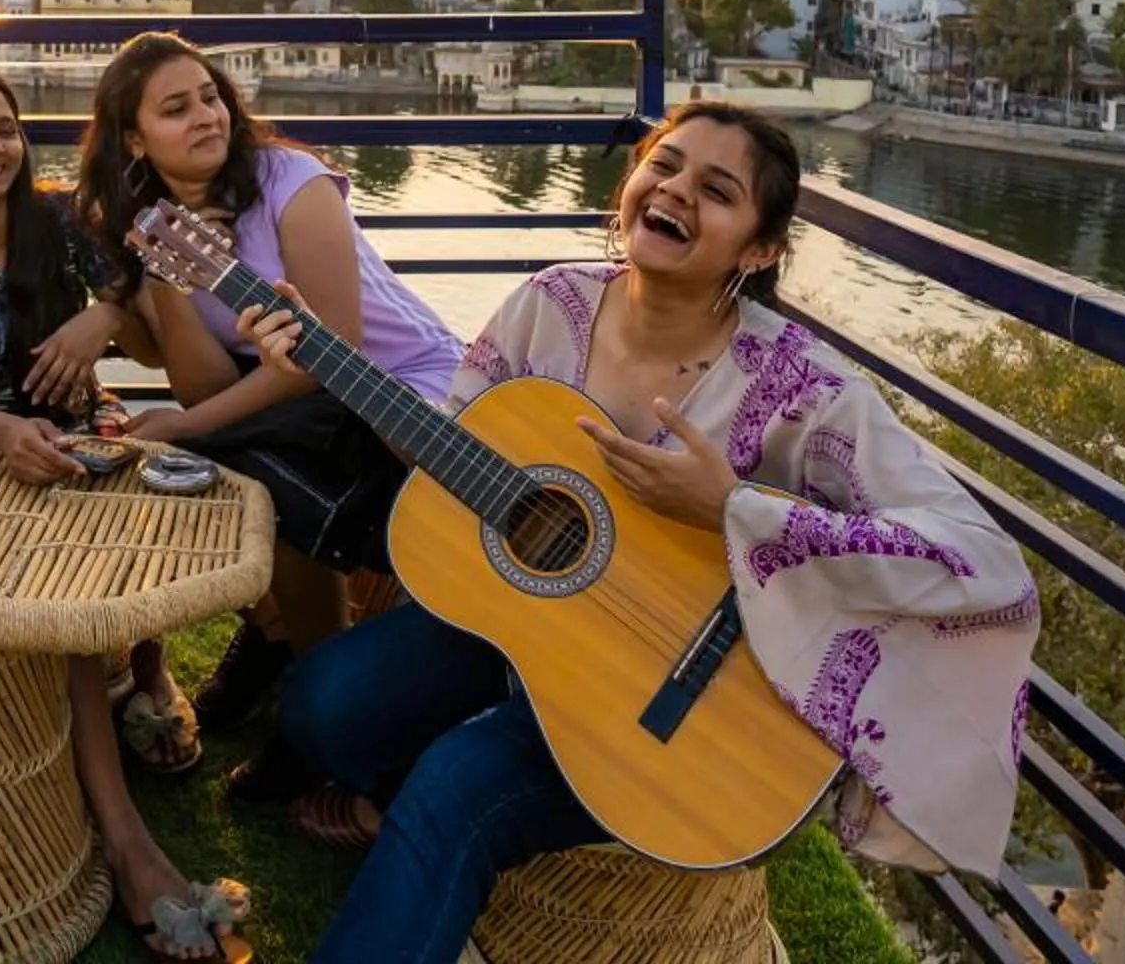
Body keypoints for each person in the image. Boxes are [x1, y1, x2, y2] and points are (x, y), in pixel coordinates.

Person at [251, 100, 1040, 963]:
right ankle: (410, 795)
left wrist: (735, 510)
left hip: (688, 716)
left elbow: (980, 559)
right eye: (664, 166)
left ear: (759, 249)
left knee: (455, 791)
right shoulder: (546, 307)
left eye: (717, 189)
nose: (674, 191)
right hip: (550, 641)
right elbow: (452, 448)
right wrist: (323, 365)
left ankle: (429, 811)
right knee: (321, 706)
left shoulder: (805, 391)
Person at [0, 70, 248, 963]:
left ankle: (151, 672)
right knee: (67, 613)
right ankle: (125, 840)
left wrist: (99, 321)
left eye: (5, 128)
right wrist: (4, 430)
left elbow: (144, 315)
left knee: (165, 501)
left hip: (79, 440)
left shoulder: (60, 223)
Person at [76, 31, 463, 726]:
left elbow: (335, 344)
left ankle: (304, 674)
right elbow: (205, 389)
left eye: (210, 97)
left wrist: (186, 425)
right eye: (176, 109)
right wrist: (170, 280)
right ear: (134, 140)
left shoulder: (292, 182)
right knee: (207, 471)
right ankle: (297, 661)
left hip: (401, 384)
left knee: (235, 461)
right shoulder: (149, 225)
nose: (206, 116)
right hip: (296, 398)